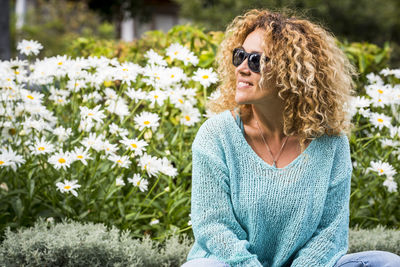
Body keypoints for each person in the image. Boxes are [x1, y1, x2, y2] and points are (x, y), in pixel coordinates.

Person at [181, 9, 400, 267]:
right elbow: (213, 226)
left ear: (292, 73)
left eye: (256, 60)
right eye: (239, 56)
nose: (241, 67)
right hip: (230, 265)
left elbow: (330, 233)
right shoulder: (216, 135)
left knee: (386, 262)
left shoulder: (330, 143)